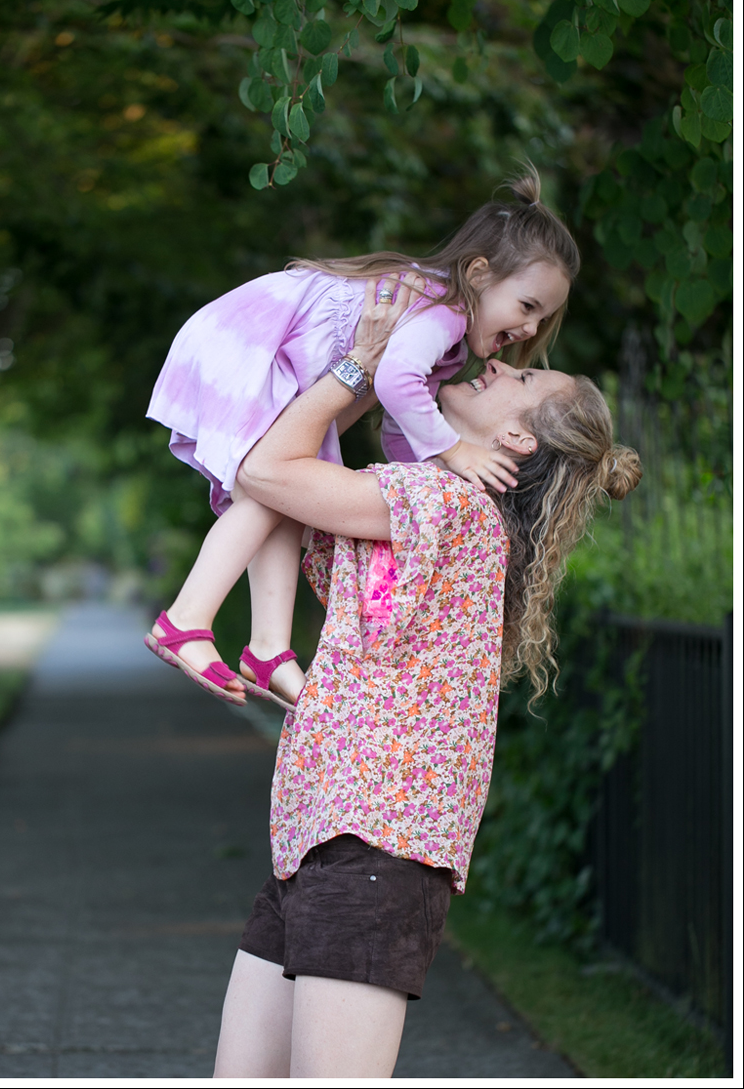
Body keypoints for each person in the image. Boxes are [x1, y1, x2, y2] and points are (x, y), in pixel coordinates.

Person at [211, 279, 641, 1078]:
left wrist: (360, 362)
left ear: (515, 441)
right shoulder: (429, 508)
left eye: (521, 381)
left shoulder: (448, 505)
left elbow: (267, 468)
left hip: (374, 850)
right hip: (315, 843)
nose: (499, 364)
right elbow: (284, 483)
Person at [145, 168, 580, 711]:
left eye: (543, 317)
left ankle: (268, 649)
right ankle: (186, 619)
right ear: (480, 273)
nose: (530, 332)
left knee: (283, 495)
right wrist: (452, 449)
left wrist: (421, 475)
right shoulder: (443, 310)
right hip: (253, 338)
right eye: (527, 307)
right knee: (265, 487)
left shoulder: (446, 342)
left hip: (273, 352)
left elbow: (402, 425)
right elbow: (396, 382)